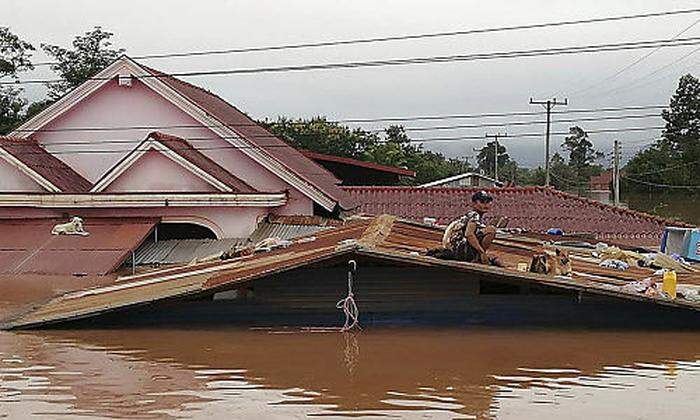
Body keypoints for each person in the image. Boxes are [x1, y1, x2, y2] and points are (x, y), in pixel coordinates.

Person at [442, 190, 497, 264]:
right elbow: (469, 234)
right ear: (474, 204)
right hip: (460, 249)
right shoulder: (474, 215)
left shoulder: (471, 216)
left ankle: (478, 256)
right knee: (491, 230)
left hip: (456, 248)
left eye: (487, 202)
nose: (485, 205)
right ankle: (477, 258)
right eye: (482, 202)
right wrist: (482, 252)